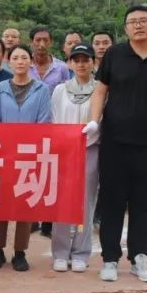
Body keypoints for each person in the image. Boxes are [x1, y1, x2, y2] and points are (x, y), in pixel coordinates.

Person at [86, 4, 147, 283]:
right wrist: (94, 120)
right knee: (113, 201)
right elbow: (100, 89)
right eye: (132, 22)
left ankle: (140, 257)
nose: (138, 26)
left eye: (143, 21)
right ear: (125, 28)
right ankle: (110, 259)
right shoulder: (115, 55)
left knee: (145, 203)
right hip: (115, 142)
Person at [0, 45, 52, 272]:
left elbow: (44, 123)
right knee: (0, 204)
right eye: (15, 57)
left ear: (31, 61)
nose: (20, 61)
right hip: (3, 154)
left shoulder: (42, 90)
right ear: (9, 61)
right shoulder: (0, 88)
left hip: (29, 155)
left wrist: (27, 148)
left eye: (24, 57)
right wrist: (4, 148)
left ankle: (20, 252)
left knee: (24, 204)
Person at [50, 43, 100, 273]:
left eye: (85, 60)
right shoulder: (60, 90)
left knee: (86, 203)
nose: (81, 64)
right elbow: (53, 119)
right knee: (62, 201)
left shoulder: (100, 89)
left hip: (90, 149)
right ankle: (60, 252)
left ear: (93, 62)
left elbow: (102, 121)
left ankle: (81, 252)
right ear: (70, 63)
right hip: (64, 151)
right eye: (76, 60)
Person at [29, 26, 70, 238]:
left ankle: (48, 221)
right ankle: (32, 217)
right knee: (31, 173)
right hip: (30, 129)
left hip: (54, 128)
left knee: (52, 174)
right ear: (31, 42)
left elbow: (66, 96)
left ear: (51, 42)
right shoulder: (24, 66)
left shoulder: (62, 69)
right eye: (38, 40)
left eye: (45, 40)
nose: (41, 44)